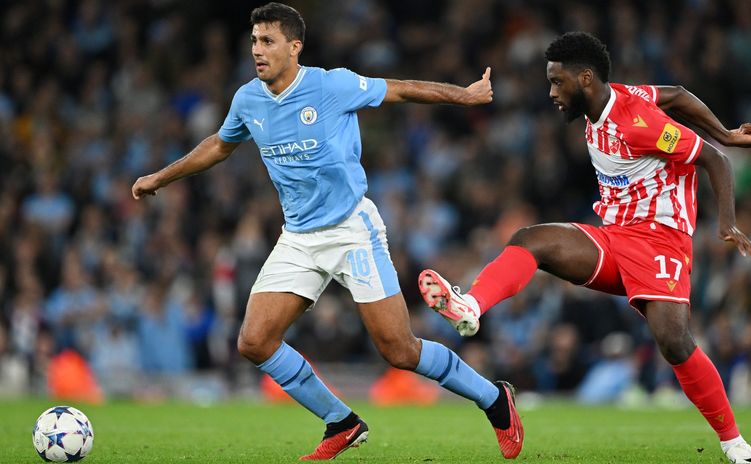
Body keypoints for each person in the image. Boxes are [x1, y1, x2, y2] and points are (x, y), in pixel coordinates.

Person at [131, 2, 523, 461]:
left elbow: (401, 90)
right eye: (254, 40)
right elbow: (220, 144)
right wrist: (160, 176)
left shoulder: (330, 85)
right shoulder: (248, 99)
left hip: (351, 231)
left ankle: (495, 400)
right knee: (254, 341)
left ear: (294, 47)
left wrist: (466, 94)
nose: (257, 50)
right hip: (298, 237)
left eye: (268, 41)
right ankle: (342, 421)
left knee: (399, 350)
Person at [419, 32, 751, 464]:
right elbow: (676, 94)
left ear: (585, 79)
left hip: (661, 238)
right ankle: (470, 306)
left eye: (557, 82)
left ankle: (736, 445)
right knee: (531, 239)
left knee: (674, 342)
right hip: (614, 236)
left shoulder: (639, 123)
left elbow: (714, 160)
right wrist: (724, 130)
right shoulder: (615, 98)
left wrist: (727, 218)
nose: (551, 93)